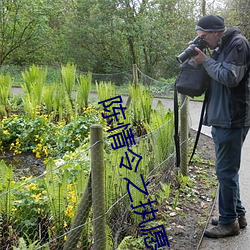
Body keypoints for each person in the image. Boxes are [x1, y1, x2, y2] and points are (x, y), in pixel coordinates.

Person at [192, 15, 250, 238]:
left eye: (204, 37)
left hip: (232, 118)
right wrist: (202, 59)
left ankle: (228, 223)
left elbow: (229, 77)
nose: (203, 41)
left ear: (216, 32)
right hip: (222, 117)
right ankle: (237, 214)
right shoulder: (221, 46)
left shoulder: (238, 44)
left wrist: (205, 61)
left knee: (225, 171)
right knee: (227, 171)